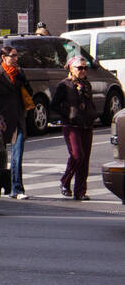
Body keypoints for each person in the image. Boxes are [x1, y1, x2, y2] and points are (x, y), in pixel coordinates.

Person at [0, 45, 31, 200]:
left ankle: (17, 188)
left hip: (19, 118)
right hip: (4, 120)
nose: (15, 59)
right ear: (4, 57)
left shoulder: (19, 73)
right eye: (12, 56)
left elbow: (28, 92)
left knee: (17, 155)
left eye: (16, 56)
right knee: (0, 156)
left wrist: (23, 81)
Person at [51, 56, 96, 200]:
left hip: (86, 125)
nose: (83, 70)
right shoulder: (64, 85)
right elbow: (54, 105)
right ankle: (65, 180)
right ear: (71, 68)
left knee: (85, 159)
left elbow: (89, 102)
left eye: (85, 68)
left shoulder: (87, 85)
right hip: (71, 125)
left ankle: (80, 191)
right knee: (77, 155)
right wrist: (68, 114)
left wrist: (92, 114)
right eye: (80, 68)